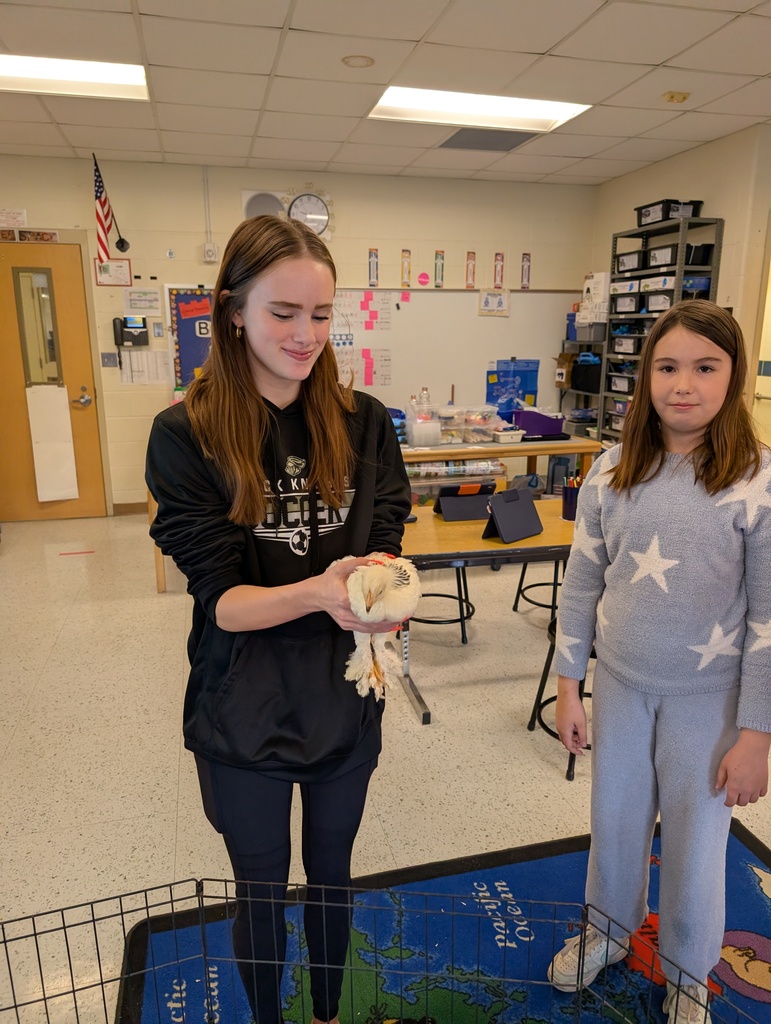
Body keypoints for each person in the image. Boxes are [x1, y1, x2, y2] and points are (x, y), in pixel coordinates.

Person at [145, 215, 411, 1024]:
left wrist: (383, 589)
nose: (305, 335)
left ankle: (326, 1011)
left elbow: (387, 540)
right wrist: (320, 593)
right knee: (259, 887)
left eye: (321, 315)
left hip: (341, 697)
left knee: (332, 870)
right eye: (282, 314)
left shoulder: (363, 421)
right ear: (233, 310)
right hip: (242, 707)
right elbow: (220, 599)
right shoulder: (184, 432)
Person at [547, 300, 771, 1022]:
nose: (683, 385)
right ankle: (608, 932)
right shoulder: (611, 469)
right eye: (666, 367)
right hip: (617, 683)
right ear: (643, 378)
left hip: (708, 700)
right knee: (612, 821)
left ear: (732, 377)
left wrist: (757, 734)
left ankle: (685, 970)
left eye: (704, 368)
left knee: (695, 840)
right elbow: (580, 582)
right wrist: (567, 685)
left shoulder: (757, 482)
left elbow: (769, 619)